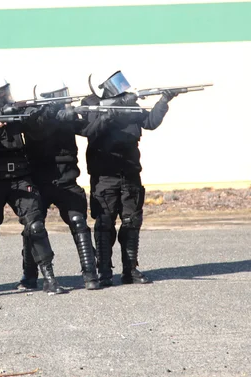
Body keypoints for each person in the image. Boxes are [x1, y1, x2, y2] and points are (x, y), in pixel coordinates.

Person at [0, 79, 67, 295]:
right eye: (0, 94)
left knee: (36, 226)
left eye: (6, 92)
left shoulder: (15, 111)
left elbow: (37, 128)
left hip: (20, 177)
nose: (6, 96)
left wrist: (48, 111)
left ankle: (49, 278)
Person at [80, 70, 178, 286]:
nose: (121, 86)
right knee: (104, 224)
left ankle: (130, 270)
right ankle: (104, 272)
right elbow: (90, 130)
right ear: (102, 87)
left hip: (130, 174)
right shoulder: (91, 106)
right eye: (115, 83)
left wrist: (163, 100)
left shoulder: (130, 106)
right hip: (105, 177)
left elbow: (150, 122)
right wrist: (113, 111)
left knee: (132, 223)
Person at [16, 81, 100, 291]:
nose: (65, 98)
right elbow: (37, 131)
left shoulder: (67, 114)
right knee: (33, 228)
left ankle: (90, 274)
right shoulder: (32, 114)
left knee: (78, 222)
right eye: (59, 95)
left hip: (67, 180)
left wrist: (104, 116)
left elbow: (89, 129)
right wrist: (53, 115)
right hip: (39, 182)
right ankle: (29, 276)